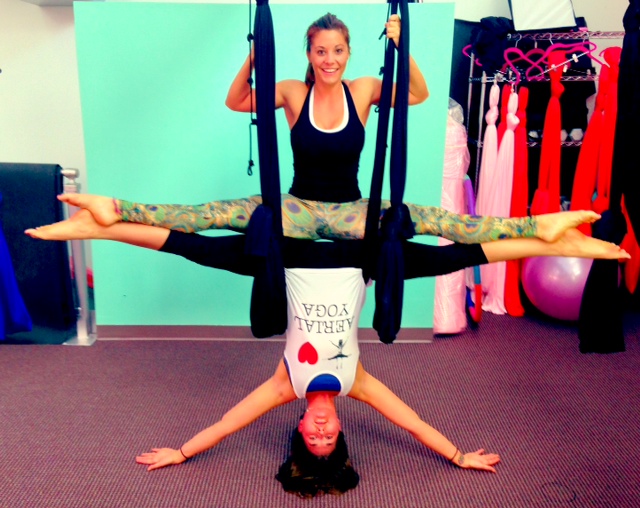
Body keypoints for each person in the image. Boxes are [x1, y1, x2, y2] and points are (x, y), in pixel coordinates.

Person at [29, 13, 606, 247]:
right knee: (214, 212)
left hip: (351, 212)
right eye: (320, 51)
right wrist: (255, 58)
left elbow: (421, 95)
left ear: (349, 52)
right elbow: (236, 104)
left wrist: (402, 48)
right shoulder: (290, 92)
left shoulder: (363, 89)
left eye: (338, 50)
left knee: (431, 219)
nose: (329, 59)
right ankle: (112, 207)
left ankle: (539, 225)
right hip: (298, 209)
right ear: (309, 53)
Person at [135, 266, 501, 499]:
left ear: (301, 426)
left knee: (195, 248)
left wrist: (180, 454)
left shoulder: (285, 385)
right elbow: (415, 425)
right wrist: (459, 456)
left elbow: (224, 426)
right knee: (432, 252)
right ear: (341, 429)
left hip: (299, 256)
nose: (322, 431)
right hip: (352, 259)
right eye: (329, 438)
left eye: (313, 437)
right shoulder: (358, 383)